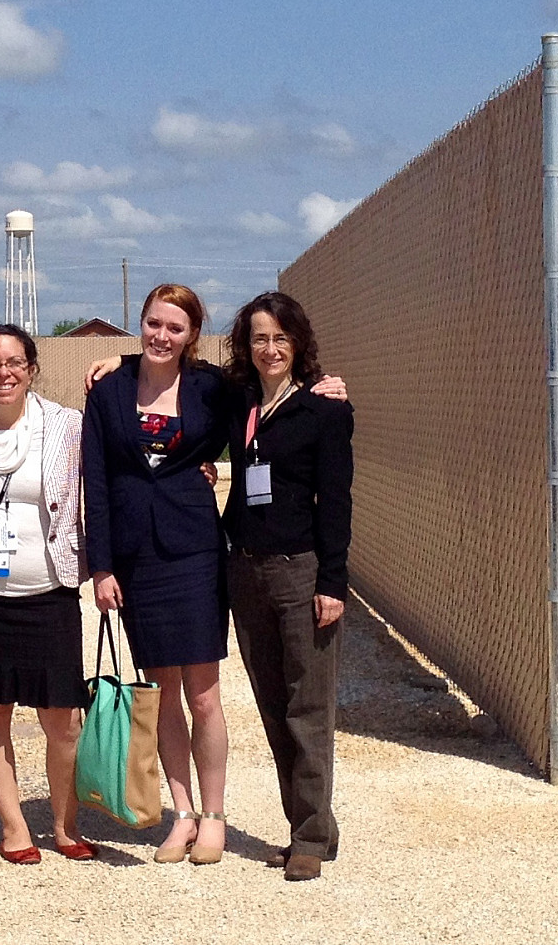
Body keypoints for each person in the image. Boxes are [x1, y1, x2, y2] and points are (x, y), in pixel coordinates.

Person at [82, 283, 232, 865]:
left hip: (193, 552)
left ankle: (214, 815)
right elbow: (96, 480)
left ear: (192, 335)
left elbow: (269, 397)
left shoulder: (211, 387)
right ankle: (182, 814)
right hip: (135, 560)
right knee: (160, 694)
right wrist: (102, 567)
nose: (161, 336)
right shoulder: (109, 390)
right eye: (152, 323)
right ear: (139, 323)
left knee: (204, 695)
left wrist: (322, 386)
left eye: (175, 327)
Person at [0, 324, 95, 865]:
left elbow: (118, 467)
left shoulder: (67, 425)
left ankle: (66, 824)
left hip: (49, 590)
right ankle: (13, 827)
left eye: (14, 363)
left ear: (32, 368)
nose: (3, 373)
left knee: (64, 719)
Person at [222, 291, 353, 882]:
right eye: (259, 338)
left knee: (308, 708)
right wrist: (116, 360)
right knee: (274, 706)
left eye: (280, 338)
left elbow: (337, 502)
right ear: (245, 345)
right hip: (246, 570)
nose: (269, 349)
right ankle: (305, 824)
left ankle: (311, 838)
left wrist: (332, 582)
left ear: (297, 343)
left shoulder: (323, 410)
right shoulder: (239, 399)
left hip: (301, 570)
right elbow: (179, 369)